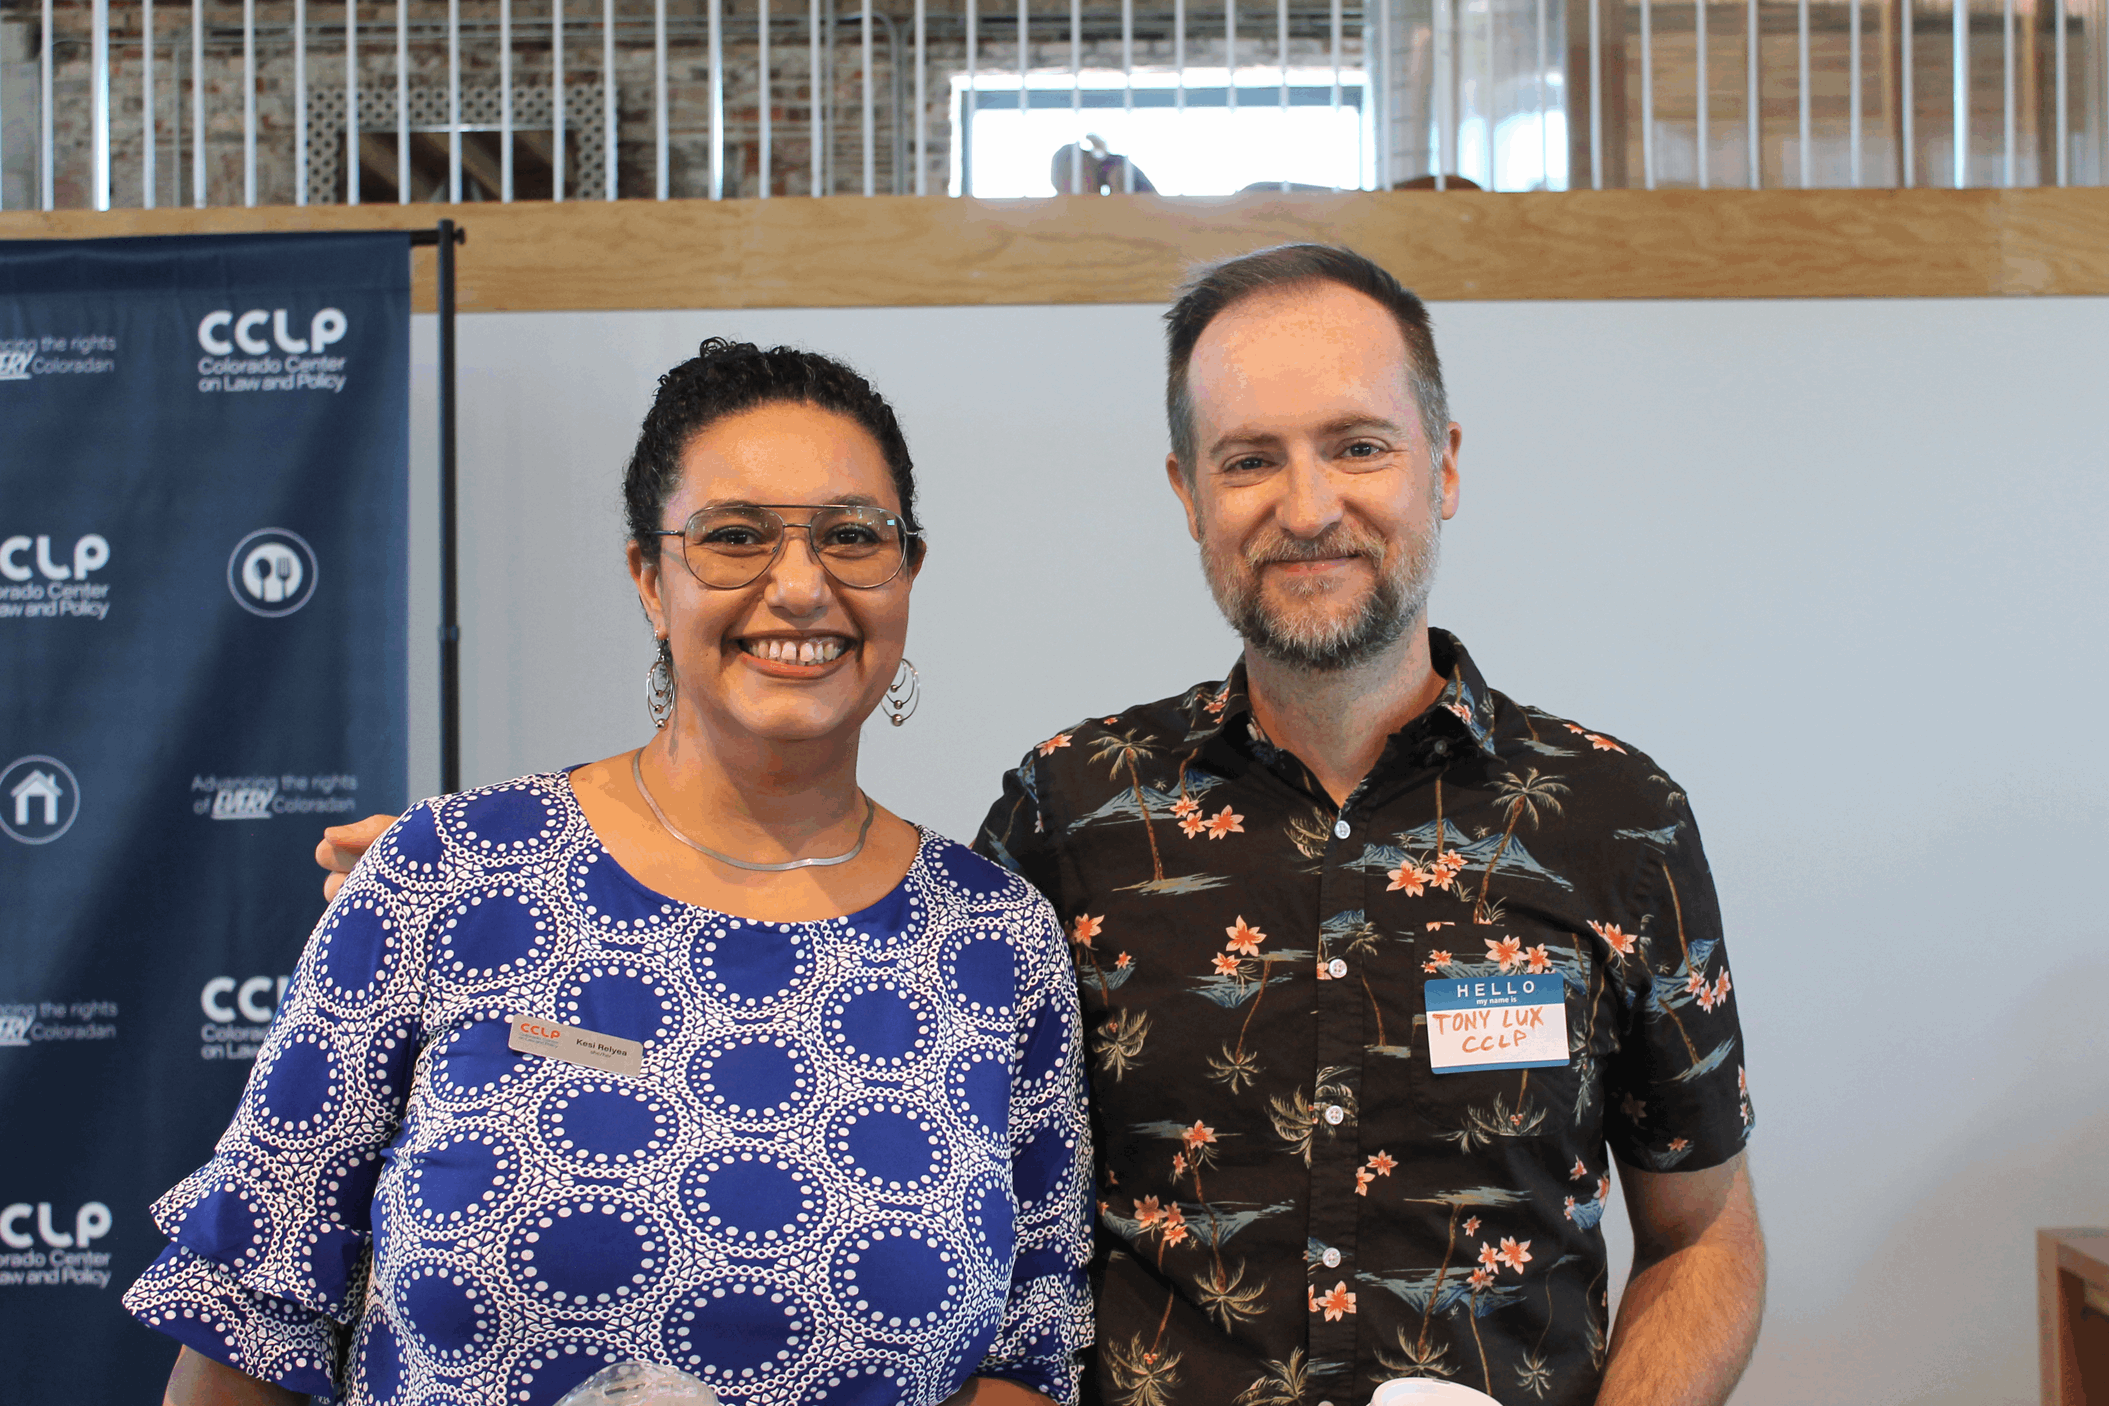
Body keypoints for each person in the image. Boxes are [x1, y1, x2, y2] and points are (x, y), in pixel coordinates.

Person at [318, 245, 1764, 1406]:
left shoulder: (1613, 823)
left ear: (1441, 465)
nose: (1307, 503)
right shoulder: (1075, 813)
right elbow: (829, 968)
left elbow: (1704, 1234)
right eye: (1249, 458)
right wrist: (505, 892)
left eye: (1358, 445)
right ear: (1188, 495)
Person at [126, 341, 1093, 1406]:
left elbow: (1028, 1352)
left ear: (905, 571)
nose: (800, 586)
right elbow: (249, 1305)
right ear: (649, 579)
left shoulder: (995, 942)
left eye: (852, 535)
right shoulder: (449, 872)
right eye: (734, 536)